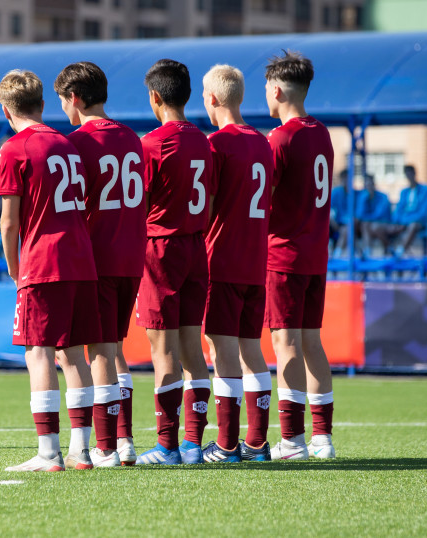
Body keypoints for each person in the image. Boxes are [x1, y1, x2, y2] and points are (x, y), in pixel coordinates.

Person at [0, 70, 101, 472]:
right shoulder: (68, 144)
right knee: (74, 355)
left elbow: (10, 221)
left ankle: (48, 453)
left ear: (6, 109)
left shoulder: (14, 149)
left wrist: (14, 266)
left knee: (38, 353)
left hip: (43, 263)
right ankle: (82, 451)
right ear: (42, 104)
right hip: (81, 260)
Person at [54, 61, 147, 467]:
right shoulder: (132, 137)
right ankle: (124, 441)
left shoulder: (75, 142)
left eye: (62, 102)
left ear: (74, 98)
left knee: (99, 353)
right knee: (115, 349)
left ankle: (105, 446)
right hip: (131, 255)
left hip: (97, 258)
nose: (63, 111)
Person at [135, 59, 213, 466]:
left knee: (163, 350)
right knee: (191, 348)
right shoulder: (204, 140)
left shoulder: (151, 145)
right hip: (196, 247)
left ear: (155, 97)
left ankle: (166, 446)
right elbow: (211, 201)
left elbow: (138, 205)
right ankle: (193, 444)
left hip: (161, 249)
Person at [199, 64, 274, 464]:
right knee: (252, 349)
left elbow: (206, 205)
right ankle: (258, 443)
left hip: (223, 259)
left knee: (222, 350)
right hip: (254, 261)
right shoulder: (262, 142)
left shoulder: (217, 144)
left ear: (211, 99)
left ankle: (227, 445)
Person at [263, 50, 336, 460]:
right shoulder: (321, 132)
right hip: (315, 254)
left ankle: (290, 439)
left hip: (285, 254)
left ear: (276, 90)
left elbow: (265, 198)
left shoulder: (281, 138)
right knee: (311, 342)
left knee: (285, 342)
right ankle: (322, 439)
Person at [369, 165, 427, 257]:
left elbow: (423, 213)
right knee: (377, 227)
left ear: (415, 174)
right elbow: (399, 209)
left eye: (410, 173)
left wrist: (405, 222)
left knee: (413, 225)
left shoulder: (425, 190)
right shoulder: (404, 192)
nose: (409, 176)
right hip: (401, 223)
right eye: (407, 174)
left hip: (416, 223)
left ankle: (400, 252)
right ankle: (389, 248)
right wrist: (396, 223)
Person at [358, 174, 394, 257]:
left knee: (373, 226)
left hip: (384, 224)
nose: (369, 186)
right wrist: (365, 200)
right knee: (366, 225)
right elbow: (360, 214)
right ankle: (368, 251)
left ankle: (388, 246)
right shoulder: (364, 197)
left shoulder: (383, 197)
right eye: (366, 185)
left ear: (374, 184)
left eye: (370, 184)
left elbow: (379, 215)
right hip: (370, 225)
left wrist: (367, 218)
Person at [329, 169, 359, 256]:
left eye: (348, 178)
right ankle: (357, 251)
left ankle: (337, 253)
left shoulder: (356, 193)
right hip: (338, 224)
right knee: (346, 230)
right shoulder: (336, 192)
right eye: (344, 178)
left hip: (352, 224)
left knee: (347, 229)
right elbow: (330, 210)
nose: (346, 181)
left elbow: (358, 213)